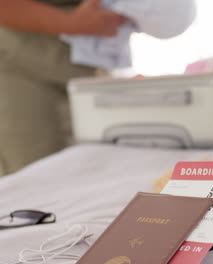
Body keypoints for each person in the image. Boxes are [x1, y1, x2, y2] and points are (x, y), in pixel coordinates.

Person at [0, 0, 126, 175]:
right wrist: (72, 23)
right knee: (33, 172)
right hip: (22, 59)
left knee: (105, 166)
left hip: (92, 61)